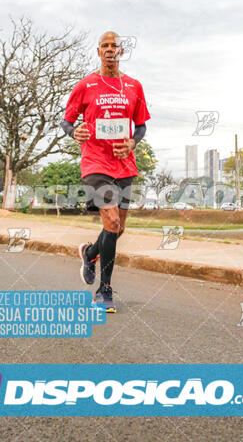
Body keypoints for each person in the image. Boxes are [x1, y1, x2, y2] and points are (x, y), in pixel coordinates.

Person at [61, 31, 150, 312]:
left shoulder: (134, 86)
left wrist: (133, 142)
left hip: (124, 164)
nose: (110, 50)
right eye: (105, 46)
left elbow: (142, 125)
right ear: (98, 51)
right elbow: (66, 121)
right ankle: (104, 291)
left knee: (118, 227)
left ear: (121, 52)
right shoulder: (86, 85)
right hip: (95, 162)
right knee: (111, 221)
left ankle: (89, 254)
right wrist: (75, 131)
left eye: (115, 46)